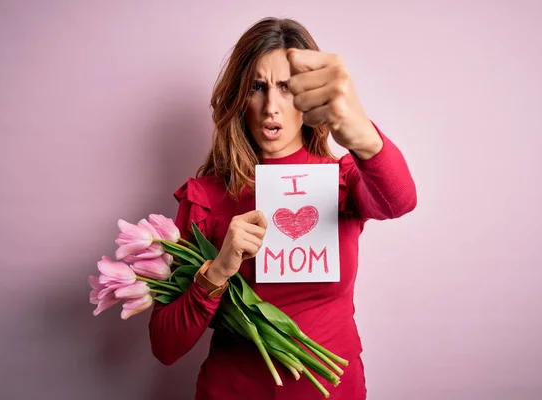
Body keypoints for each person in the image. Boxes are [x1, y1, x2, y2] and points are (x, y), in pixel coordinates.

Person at [148, 17, 417, 400]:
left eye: (287, 88)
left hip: (332, 391)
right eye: (258, 87)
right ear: (240, 97)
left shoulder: (342, 180)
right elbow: (165, 345)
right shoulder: (205, 197)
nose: (271, 107)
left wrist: (360, 133)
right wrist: (218, 269)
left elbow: (400, 201)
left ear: (310, 97)